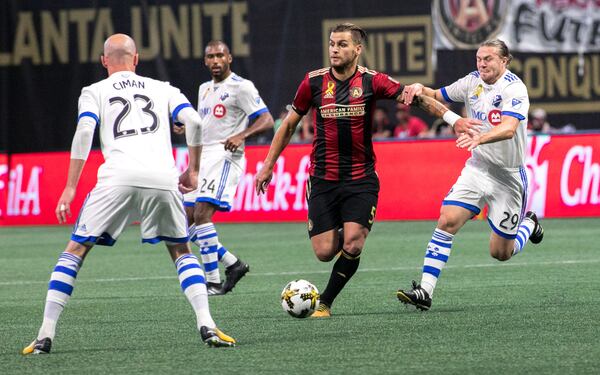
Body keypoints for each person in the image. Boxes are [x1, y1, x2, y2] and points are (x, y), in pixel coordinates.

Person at [22, 34, 235, 355]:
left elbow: (84, 131)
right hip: (162, 178)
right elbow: (193, 121)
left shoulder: (94, 91)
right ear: (136, 60)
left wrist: (69, 187)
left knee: (76, 249)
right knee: (180, 249)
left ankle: (44, 335)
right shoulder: (162, 88)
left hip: (117, 177)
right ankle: (206, 323)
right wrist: (193, 169)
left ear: (104, 60)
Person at [254, 23, 479, 318]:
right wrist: (268, 165)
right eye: (333, 44)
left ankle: (325, 302)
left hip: (361, 179)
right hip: (322, 179)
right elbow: (289, 125)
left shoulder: (373, 81)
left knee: (353, 242)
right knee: (324, 252)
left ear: (358, 50)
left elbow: (417, 99)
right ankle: (344, 228)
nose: (335, 49)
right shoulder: (312, 83)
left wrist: (452, 119)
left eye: (342, 44)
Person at [397, 39, 545, 311]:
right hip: (477, 169)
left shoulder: (514, 88)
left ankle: (530, 225)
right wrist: (420, 88)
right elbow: (436, 95)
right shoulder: (471, 82)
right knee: (447, 220)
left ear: (504, 61)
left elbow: (509, 128)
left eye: (488, 58)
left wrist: (481, 138)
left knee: (500, 253)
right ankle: (425, 291)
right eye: (479, 58)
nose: (482, 63)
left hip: (508, 178)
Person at [183, 40, 274, 295]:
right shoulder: (203, 89)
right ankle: (233, 264)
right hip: (203, 157)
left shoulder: (241, 87)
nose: (215, 61)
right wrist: (191, 165)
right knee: (183, 223)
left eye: (220, 55)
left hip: (225, 156)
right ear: (205, 60)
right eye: (210, 56)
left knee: (202, 215)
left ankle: (211, 282)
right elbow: (204, 127)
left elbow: (266, 120)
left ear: (229, 58)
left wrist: (242, 135)